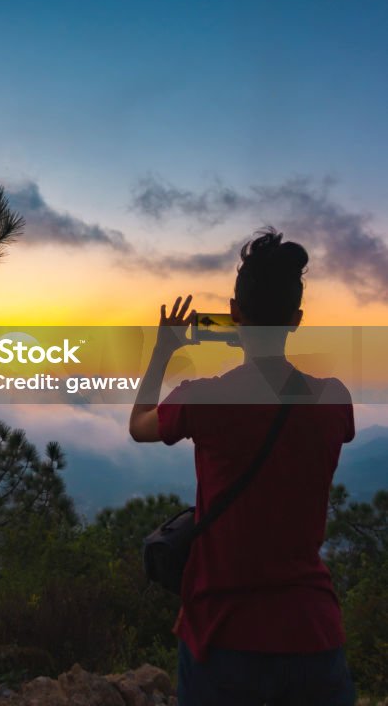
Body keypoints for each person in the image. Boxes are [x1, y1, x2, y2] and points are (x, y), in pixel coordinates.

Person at [129, 227, 356, 706]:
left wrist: (163, 350)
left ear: (234, 314)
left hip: (224, 636)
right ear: (296, 320)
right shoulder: (334, 401)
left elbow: (139, 424)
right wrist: (261, 351)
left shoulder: (207, 399)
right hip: (312, 637)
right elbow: (281, 394)